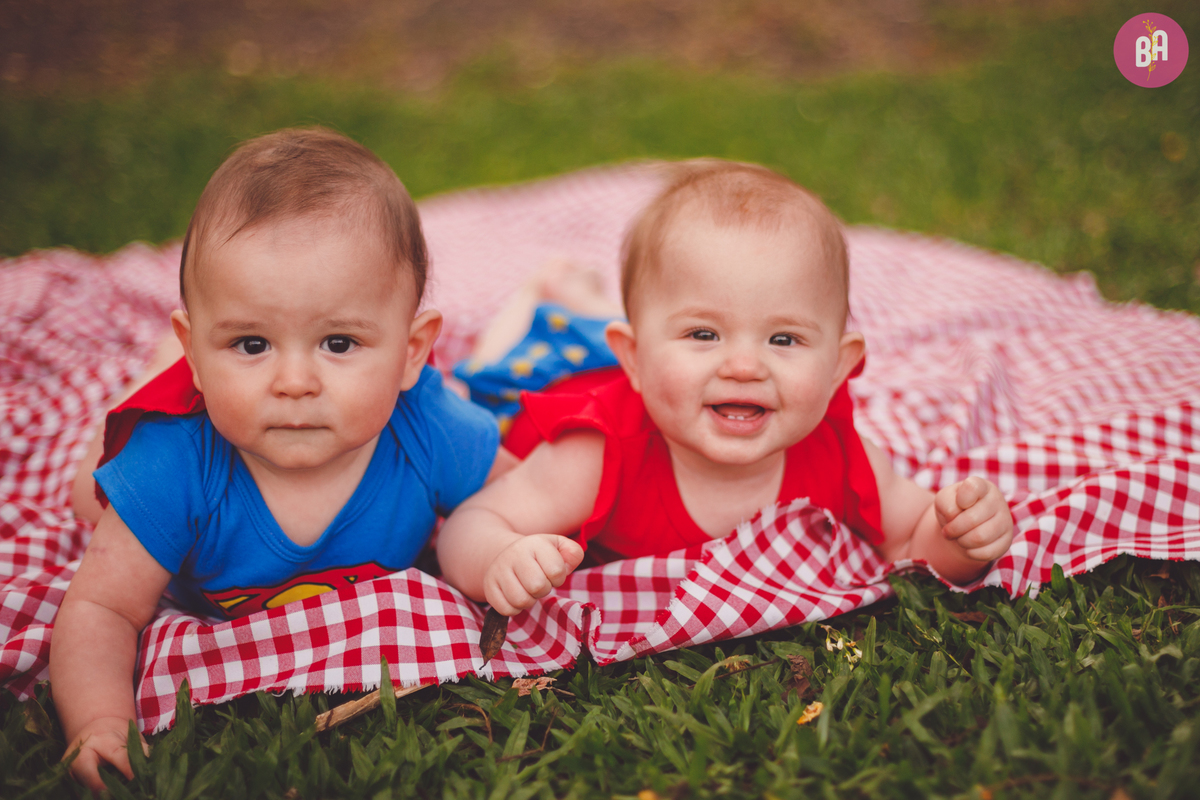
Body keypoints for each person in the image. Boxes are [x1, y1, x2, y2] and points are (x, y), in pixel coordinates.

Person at [50, 127, 515, 792]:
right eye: (250, 344)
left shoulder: (427, 427)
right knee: (85, 493)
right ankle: (160, 378)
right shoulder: (177, 465)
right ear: (199, 348)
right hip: (162, 449)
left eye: (338, 342)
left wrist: (524, 546)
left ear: (412, 352)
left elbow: (524, 493)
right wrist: (98, 722)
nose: (294, 381)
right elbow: (101, 609)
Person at [437, 160, 1014, 616]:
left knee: (653, 322)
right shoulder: (596, 453)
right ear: (634, 360)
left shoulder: (837, 452)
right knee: (502, 360)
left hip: (642, 354)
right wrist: (500, 559)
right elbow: (468, 525)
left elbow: (910, 541)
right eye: (705, 333)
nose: (744, 367)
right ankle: (560, 292)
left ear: (840, 368)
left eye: (784, 339)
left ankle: (618, 311)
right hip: (553, 379)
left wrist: (959, 539)